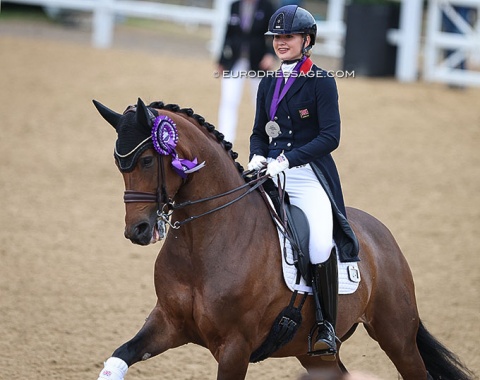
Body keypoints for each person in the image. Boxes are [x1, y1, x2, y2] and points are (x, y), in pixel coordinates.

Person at [247, 5, 359, 356]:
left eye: (289, 37)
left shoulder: (321, 82)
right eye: (277, 37)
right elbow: (257, 132)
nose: (281, 42)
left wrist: (288, 160)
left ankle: (325, 323)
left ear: (306, 40)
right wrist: (257, 156)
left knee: (319, 244)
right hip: (270, 173)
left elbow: (330, 137)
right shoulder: (268, 81)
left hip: (309, 175)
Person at [217, 0, 276, 143]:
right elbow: (228, 32)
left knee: (262, 102)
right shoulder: (235, 6)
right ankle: (225, 138)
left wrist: (270, 54)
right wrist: (222, 59)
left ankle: (268, 137)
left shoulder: (267, 7)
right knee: (229, 99)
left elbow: (273, 34)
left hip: (259, 61)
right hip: (235, 60)